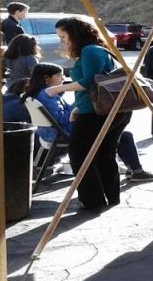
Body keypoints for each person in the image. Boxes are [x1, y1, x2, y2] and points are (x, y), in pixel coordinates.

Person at [45, 17, 131, 211]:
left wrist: (57, 89)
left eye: (64, 36)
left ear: (75, 34)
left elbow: (88, 82)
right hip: (104, 110)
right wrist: (77, 106)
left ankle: (93, 200)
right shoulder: (95, 50)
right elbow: (94, 84)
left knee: (79, 155)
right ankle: (109, 197)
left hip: (96, 113)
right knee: (104, 154)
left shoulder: (89, 50)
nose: (62, 41)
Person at [25, 62, 153, 181]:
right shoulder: (48, 94)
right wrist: (80, 105)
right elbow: (63, 119)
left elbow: (64, 114)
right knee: (122, 134)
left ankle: (131, 168)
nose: (63, 79)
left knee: (116, 130)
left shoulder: (38, 93)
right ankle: (137, 171)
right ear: (46, 78)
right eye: (59, 76)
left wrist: (76, 107)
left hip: (51, 132)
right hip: (63, 132)